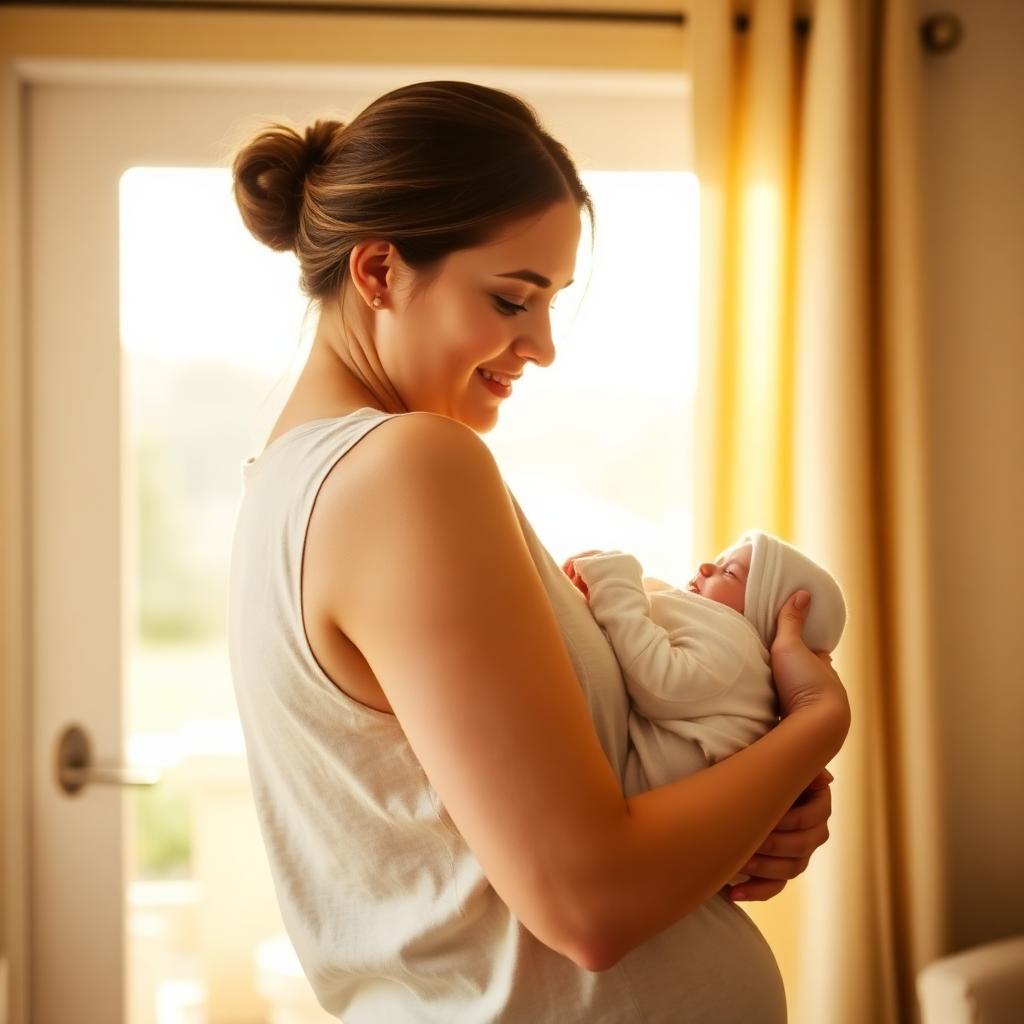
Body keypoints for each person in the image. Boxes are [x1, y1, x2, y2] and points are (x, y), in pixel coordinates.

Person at [226, 80, 850, 1023]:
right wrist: (815, 721)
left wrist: (744, 811)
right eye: (513, 298)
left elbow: (541, 843)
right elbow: (589, 903)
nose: (544, 346)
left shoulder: (287, 488)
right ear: (380, 272)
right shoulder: (407, 467)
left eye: (551, 301)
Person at [562, 532, 846, 885]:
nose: (707, 566)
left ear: (763, 610)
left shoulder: (735, 642)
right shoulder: (729, 656)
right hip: (679, 844)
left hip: (643, 830)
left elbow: (660, 683)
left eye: (730, 573)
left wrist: (615, 579)